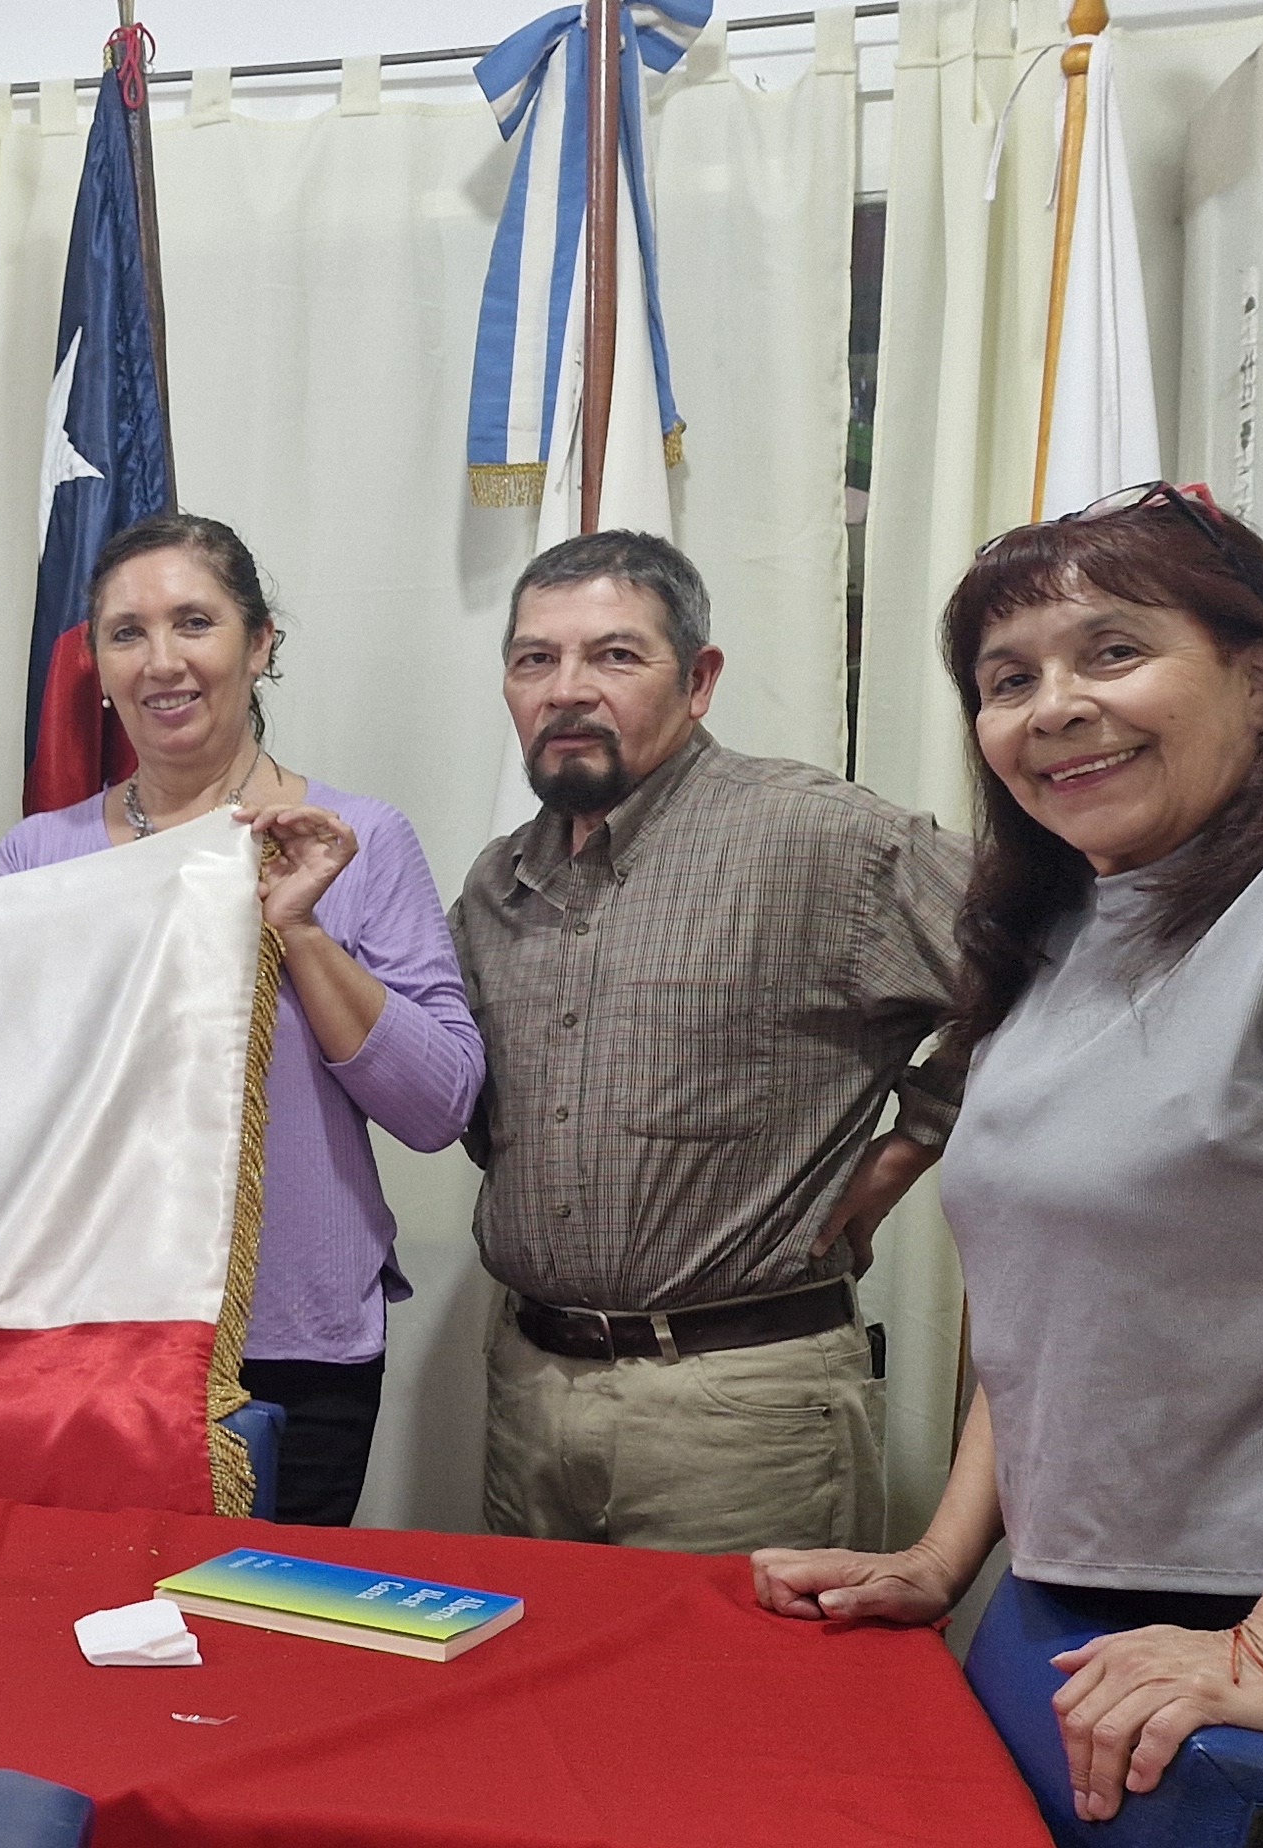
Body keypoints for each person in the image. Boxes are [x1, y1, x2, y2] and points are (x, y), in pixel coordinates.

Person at [755, 485, 1263, 1842]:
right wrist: (944, 1554)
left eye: (1112, 651)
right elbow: (1061, 1291)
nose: (1054, 706)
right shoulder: (1075, 906)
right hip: (1099, 1608)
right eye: (1008, 679)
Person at [452, 529, 964, 1554]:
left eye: (615, 655)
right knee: (534, 1665)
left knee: (744, 1668)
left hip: (742, 1414)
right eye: (535, 659)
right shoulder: (498, 883)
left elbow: (1058, 968)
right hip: (528, 1389)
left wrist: (912, 1144)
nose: (566, 689)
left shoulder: (821, 840)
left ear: (698, 681)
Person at [0, 514, 481, 1525]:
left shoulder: (357, 840)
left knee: (264, 1621)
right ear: (99, 668)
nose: (162, 661)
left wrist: (299, 929)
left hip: (296, 1342)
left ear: (259, 645)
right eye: (127, 633)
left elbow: (438, 1106)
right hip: (86, 1333)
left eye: (194, 622)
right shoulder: (36, 860)